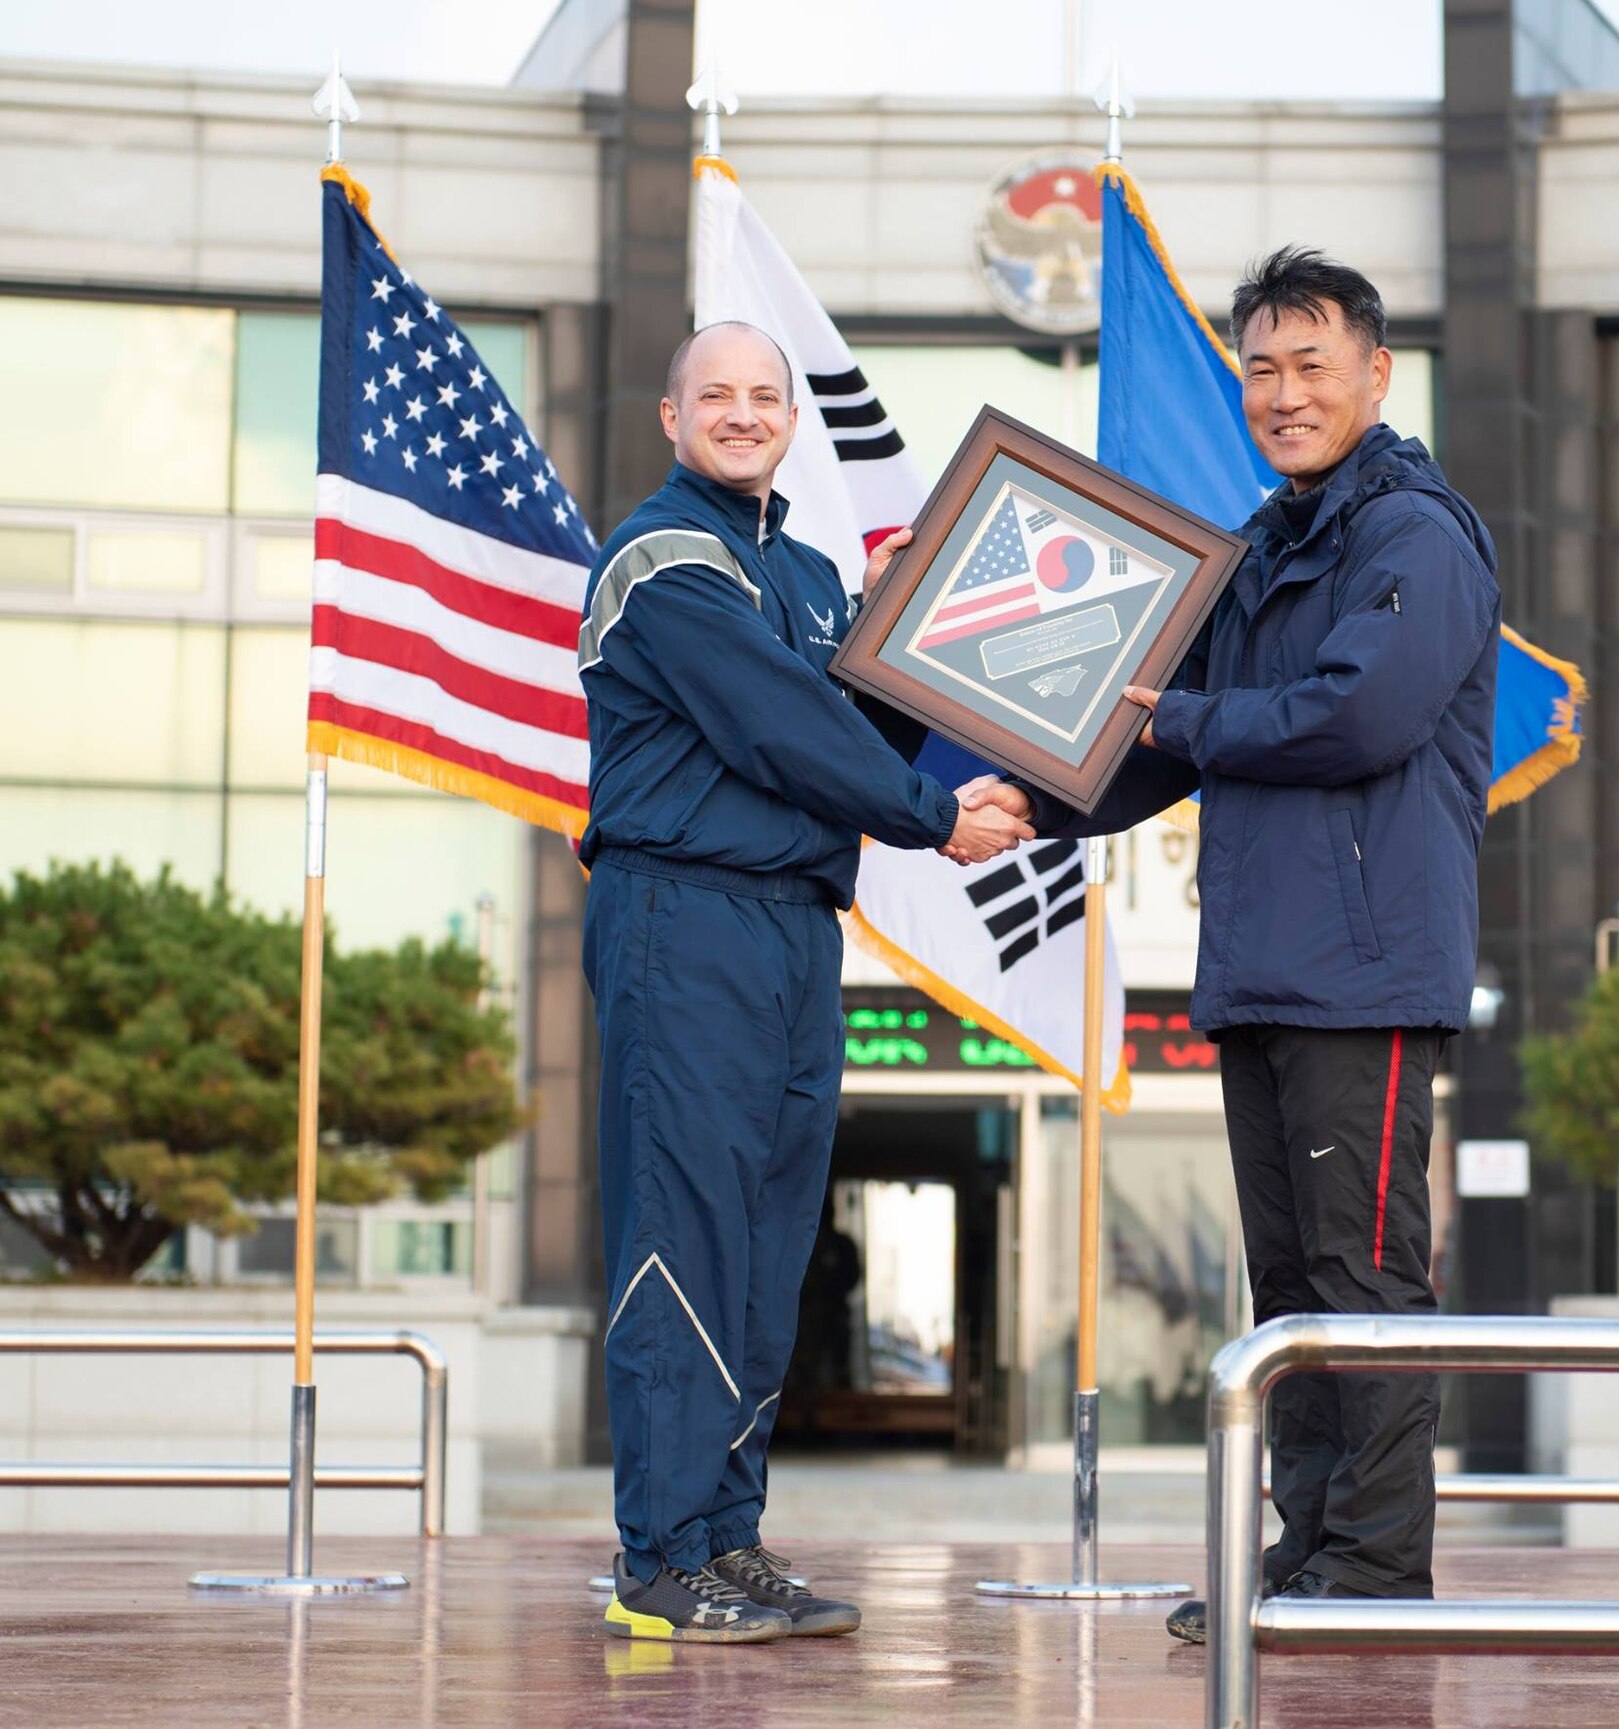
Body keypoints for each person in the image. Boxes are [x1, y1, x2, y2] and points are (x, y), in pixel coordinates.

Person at [962, 249, 1500, 1641]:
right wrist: (1033, 797)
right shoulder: (1269, 543)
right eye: (1260, 366)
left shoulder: (1415, 536)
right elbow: (1157, 729)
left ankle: (1374, 1575)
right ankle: (1308, 1559)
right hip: (1267, 968)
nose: (1282, 391)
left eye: (1311, 363)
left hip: (1364, 973)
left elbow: (1356, 712)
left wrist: (1179, 724)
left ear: (1377, 374)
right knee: (1295, 1295)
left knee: (1364, 1281)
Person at [579, 320, 1032, 1645]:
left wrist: (961, 624)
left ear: (792, 420)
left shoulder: (818, 574)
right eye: (712, 391)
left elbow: (860, 710)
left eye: (763, 394)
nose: (740, 410)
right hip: (684, 915)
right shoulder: (663, 563)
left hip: (793, 926)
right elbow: (779, 719)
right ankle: (659, 1561)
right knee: (686, 1231)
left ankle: (727, 1531)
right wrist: (931, 814)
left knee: (771, 1244)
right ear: (671, 417)